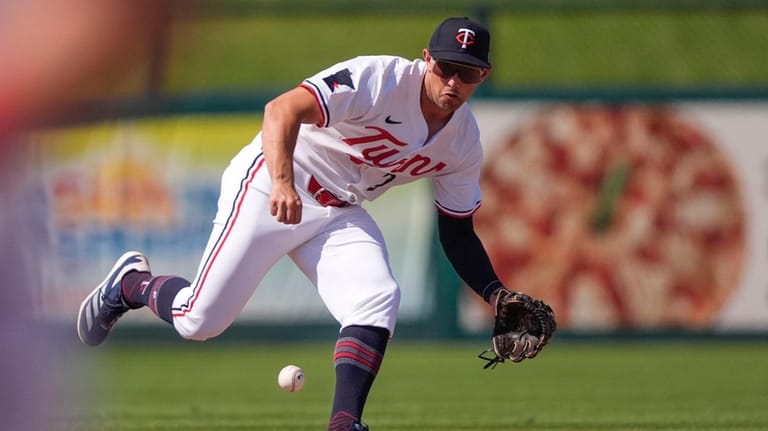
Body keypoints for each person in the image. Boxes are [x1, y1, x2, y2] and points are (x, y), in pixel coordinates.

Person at [77, 16, 542, 431]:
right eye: (446, 67)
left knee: (376, 297)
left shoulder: (461, 144)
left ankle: (345, 423)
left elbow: (457, 230)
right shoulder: (378, 79)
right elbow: (282, 110)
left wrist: (495, 292)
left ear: (484, 75)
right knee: (200, 321)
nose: (453, 81)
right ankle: (130, 285)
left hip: (339, 210)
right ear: (426, 60)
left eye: (468, 72)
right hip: (274, 182)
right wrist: (282, 183)